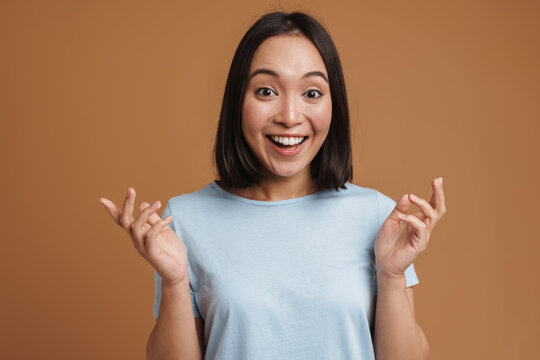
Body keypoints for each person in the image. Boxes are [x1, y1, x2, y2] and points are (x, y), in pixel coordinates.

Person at [100, 10, 446, 360]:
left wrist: (391, 276)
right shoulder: (185, 220)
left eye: (312, 93)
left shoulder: (376, 216)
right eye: (266, 91)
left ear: (334, 105)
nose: (290, 116)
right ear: (238, 101)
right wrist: (174, 284)